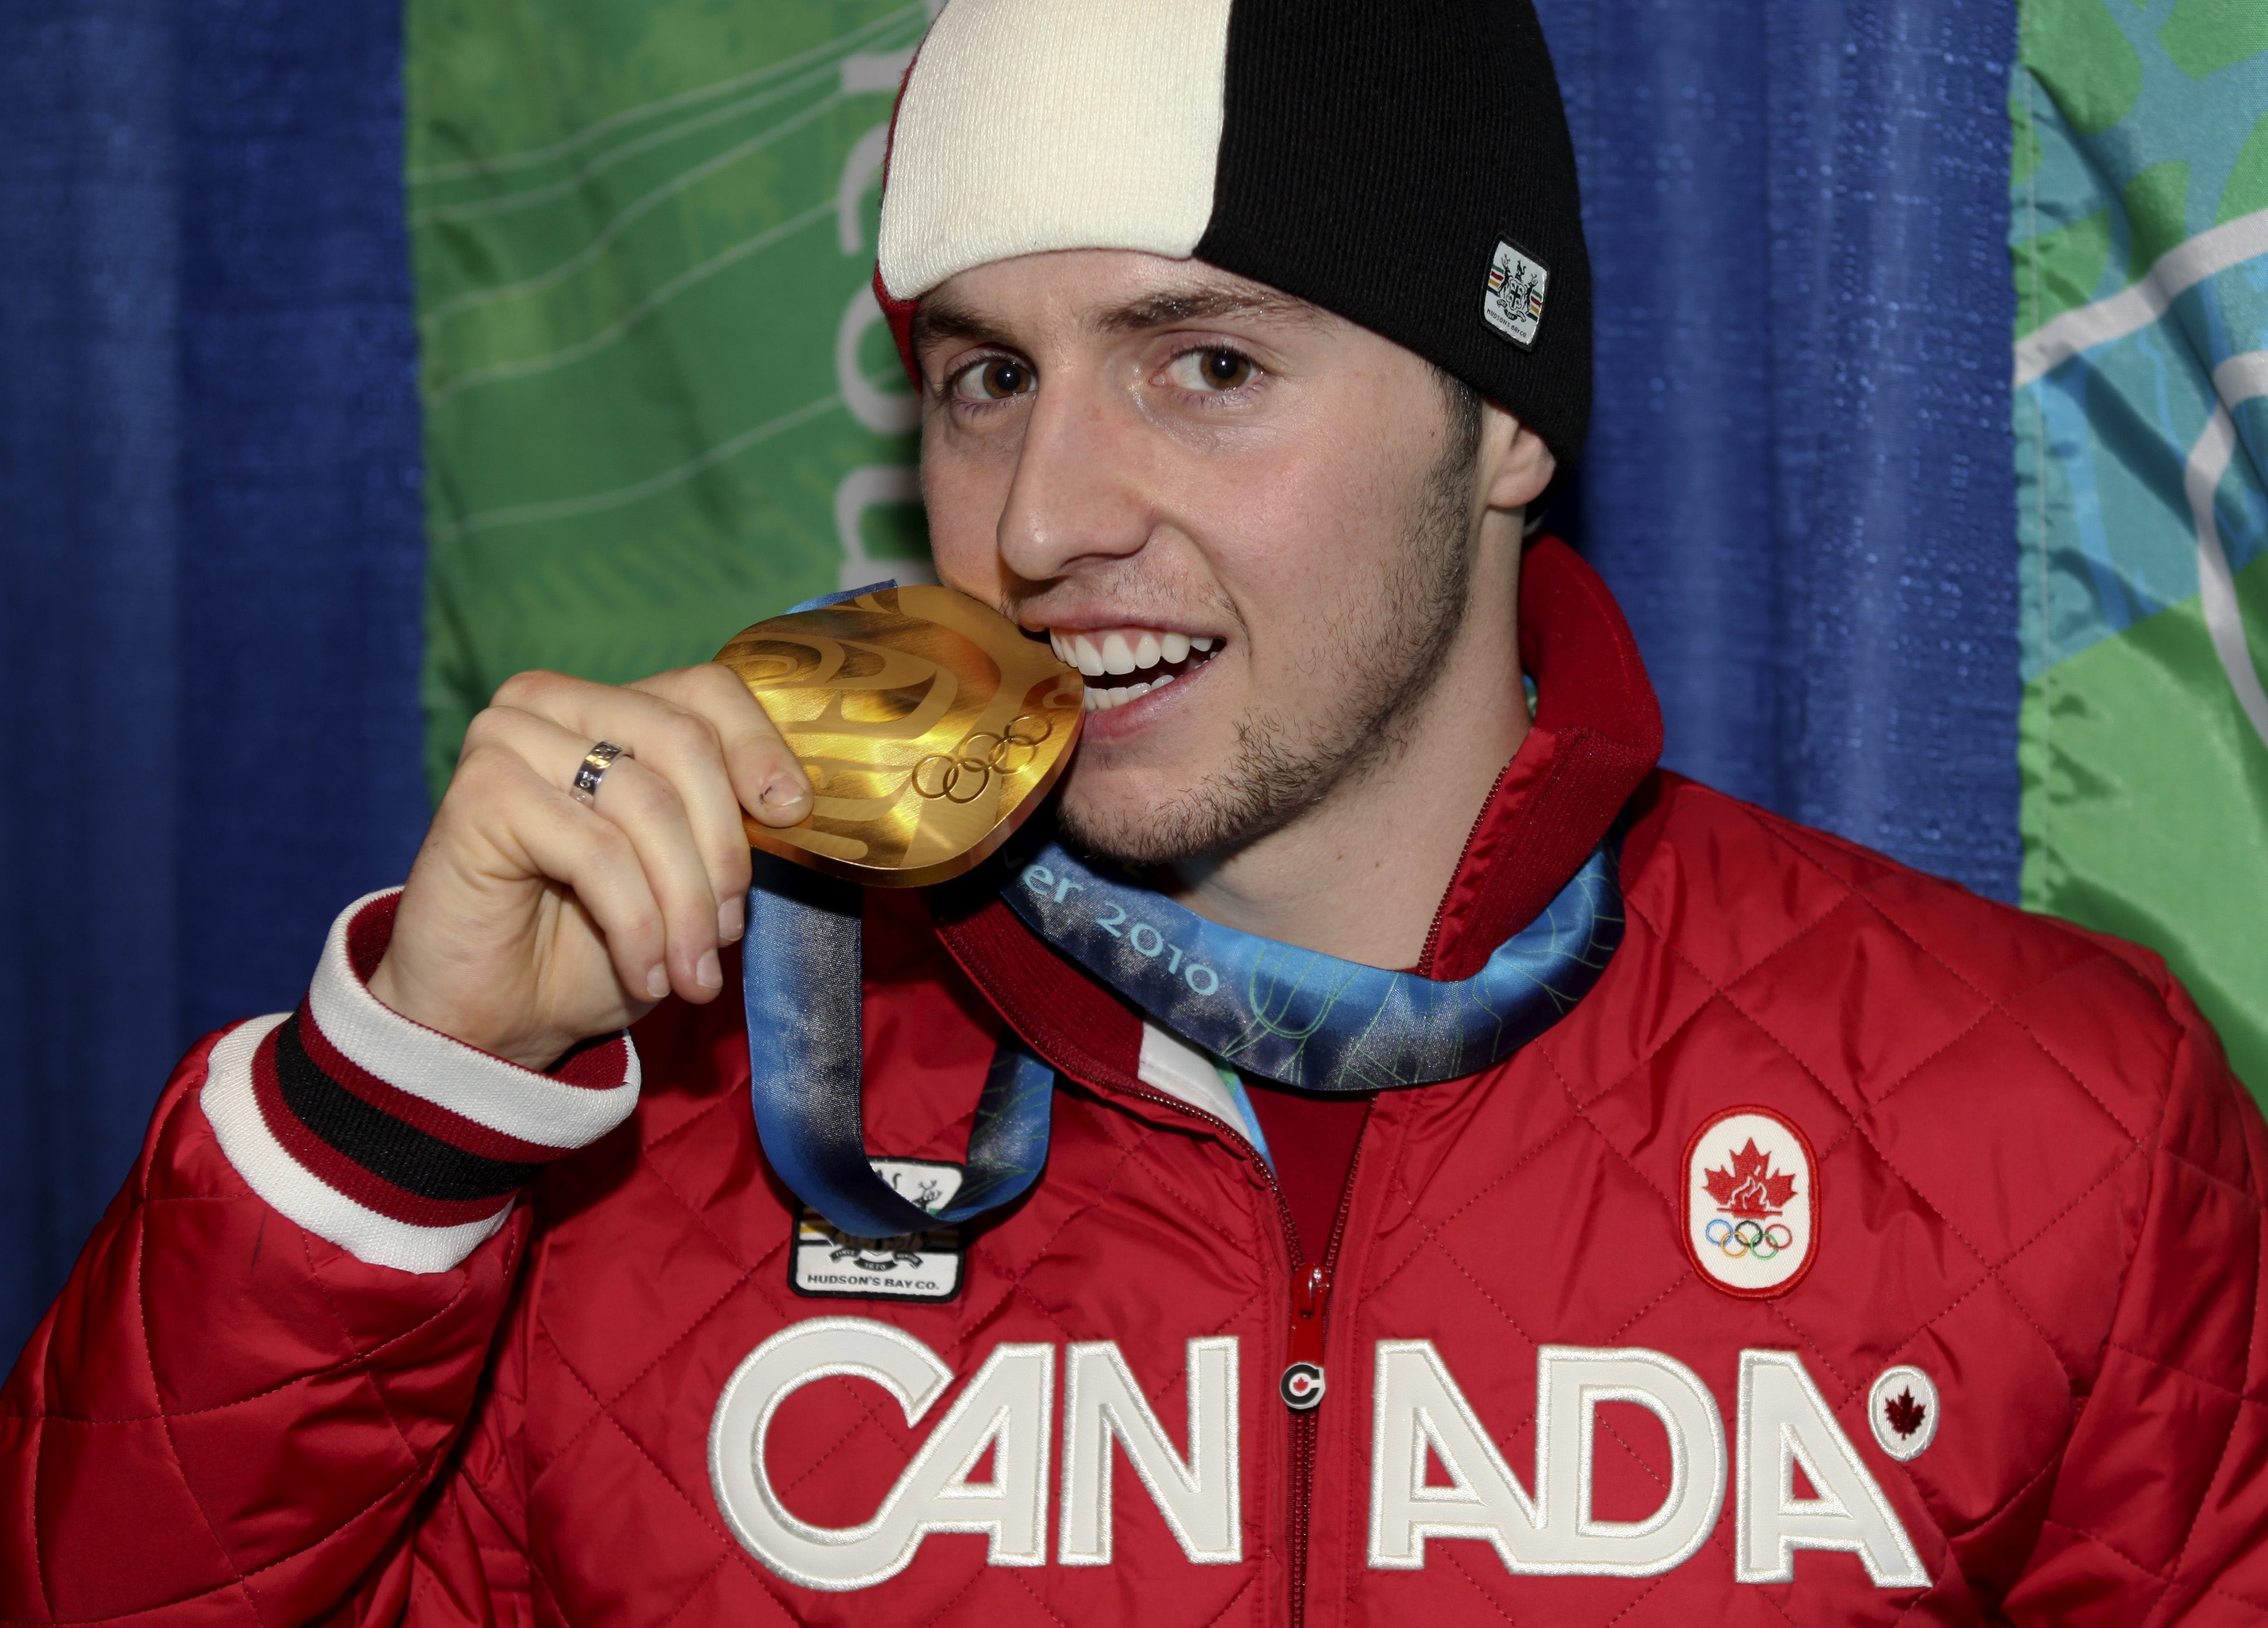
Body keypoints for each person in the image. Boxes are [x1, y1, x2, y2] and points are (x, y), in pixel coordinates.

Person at [8, 1, 2265, 1622]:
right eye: (988, 374)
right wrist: (401, 1106)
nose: (1046, 512)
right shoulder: (649, 1119)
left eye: (1206, 365)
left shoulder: (2051, 1107)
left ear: (1501, 421)